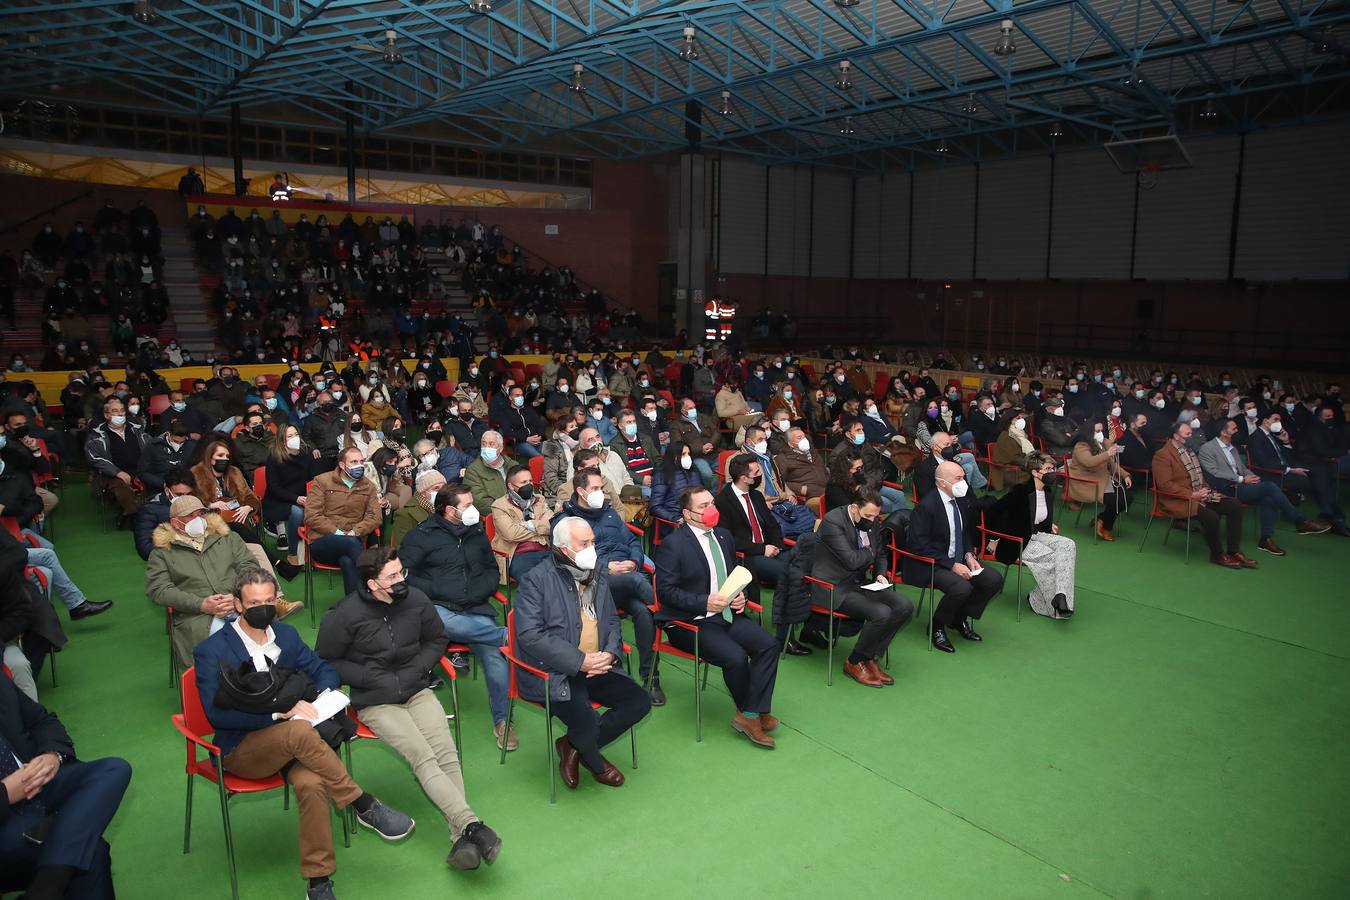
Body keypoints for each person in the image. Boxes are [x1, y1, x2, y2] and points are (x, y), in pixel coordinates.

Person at [193, 568, 416, 900]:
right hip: (243, 748)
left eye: (270, 600)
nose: (263, 608)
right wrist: (276, 713)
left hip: (300, 745)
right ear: (238, 604)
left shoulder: (286, 637)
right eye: (255, 602)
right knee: (296, 729)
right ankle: (362, 803)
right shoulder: (213, 650)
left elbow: (324, 670)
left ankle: (318, 881)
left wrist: (322, 699)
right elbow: (216, 715)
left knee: (312, 783)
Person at [315, 548, 502, 871]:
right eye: (392, 576)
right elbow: (326, 661)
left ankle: (460, 836)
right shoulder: (344, 615)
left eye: (402, 572)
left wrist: (419, 667)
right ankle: (471, 824)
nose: (401, 580)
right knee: (422, 755)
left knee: (445, 752)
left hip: (416, 689)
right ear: (372, 584)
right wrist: (368, 676)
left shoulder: (415, 599)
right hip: (376, 700)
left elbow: (436, 638)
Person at [514, 517, 652, 788]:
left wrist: (610, 654)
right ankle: (590, 753)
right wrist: (580, 661)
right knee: (587, 721)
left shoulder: (596, 570)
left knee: (639, 702)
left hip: (599, 664)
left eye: (593, 542)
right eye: (585, 543)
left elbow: (611, 619)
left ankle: (572, 745)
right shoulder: (536, 580)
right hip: (558, 671)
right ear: (564, 549)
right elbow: (530, 635)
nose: (592, 548)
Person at [653, 486, 781, 747]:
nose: (711, 510)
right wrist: (704, 602)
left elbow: (732, 574)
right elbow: (666, 592)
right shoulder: (672, 545)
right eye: (703, 506)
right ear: (687, 514)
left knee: (768, 645)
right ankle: (751, 712)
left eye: (712, 503)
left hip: (726, 615)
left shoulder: (723, 536)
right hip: (690, 622)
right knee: (735, 657)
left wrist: (740, 596)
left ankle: (750, 711)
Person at [399, 486, 516, 752]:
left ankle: (504, 721)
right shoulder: (421, 536)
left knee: (495, 660)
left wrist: (482, 589)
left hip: (475, 606)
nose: (473, 509)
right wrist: (438, 591)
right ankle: (505, 635)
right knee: (447, 623)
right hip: (438, 606)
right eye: (467, 505)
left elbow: (490, 568)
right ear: (449, 510)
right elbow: (405, 575)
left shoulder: (475, 533)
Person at [0, 673, 132, 899]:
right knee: (91, 852)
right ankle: (49, 886)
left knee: (115, 769)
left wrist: (52, 755)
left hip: (37, 785)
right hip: (7, 816)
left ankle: (45, 888)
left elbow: (42, 720)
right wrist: (7, 793)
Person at [147, 495, 302, 671]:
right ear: (176, 523)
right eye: (190, 516)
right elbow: (158, 589)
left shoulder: (227, 537)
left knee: (270, 640)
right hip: (197, 616)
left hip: (238, 603)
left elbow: (249, 566)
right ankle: (249, 681)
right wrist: (201, 604)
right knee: (229, 646)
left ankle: (270, 677)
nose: (198, 519)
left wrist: (237, 597)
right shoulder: (162, 552)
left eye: (201, 513)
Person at [551, 468, 661, 704]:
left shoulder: (609, 513)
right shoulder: (566, 521)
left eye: (601, 487)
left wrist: (633, 561)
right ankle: (668, 614)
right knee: (637, 583)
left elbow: (632, 540)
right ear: (580, 491)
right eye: (595, 489)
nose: (601, 492)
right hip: (590, 583)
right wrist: (607, 568)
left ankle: (650, 677)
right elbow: (569, 559)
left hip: (623, 579)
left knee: (643, 612)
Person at [811, 490, 911, 686]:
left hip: (859, 582)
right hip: (833, 586)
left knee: (904, 606)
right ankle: (855, 661)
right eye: (868, 516)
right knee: (881, 612)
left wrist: (880, 573)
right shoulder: (833, 521)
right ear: (854, 508)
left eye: (876, 516)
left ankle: (869, 657)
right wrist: (870, 551)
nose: (873, 521)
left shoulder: (870, 520)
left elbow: (881, 553)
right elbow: (851, 560)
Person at [904, 461, 1005, 653]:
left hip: (958, 557)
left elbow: (965, 533)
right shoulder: (926, 506)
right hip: (930, 563)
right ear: (942, 483)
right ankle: (937, 627)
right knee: (961, 587)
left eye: (963, 477)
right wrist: (951, 565)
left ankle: (958, 619)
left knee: (993, 579)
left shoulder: (960, 500)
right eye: (958, 479)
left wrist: (969, 554)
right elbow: (918, 545)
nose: (964, 483)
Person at [1198, 418, 1329, 555]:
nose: (1237, 431)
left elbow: (1241, 467)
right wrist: (1242, 479)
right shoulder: (1207, 448)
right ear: (1223, 432)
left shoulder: (1232, 448)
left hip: (1240, 486)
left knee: (1269, 500)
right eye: (1234, 429)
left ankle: (1266, 539)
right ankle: (1300, 521)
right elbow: (1214, 472)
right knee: (1270, 487)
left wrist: (1252, 476)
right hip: (1225, 488)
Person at [1151, 420, 1255, 570]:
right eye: (1187, 434)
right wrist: (1193, 494)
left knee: (1235, 506)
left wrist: (1205, 490)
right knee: (1211, 516)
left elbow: (1200, 478)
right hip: (1178, 499)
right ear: (1176, 436)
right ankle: (1217, 555)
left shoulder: (1190, 451)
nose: (1191, 436)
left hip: (1199, 494)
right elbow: (1165, 485)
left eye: (1191, 433)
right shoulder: (1162, 455)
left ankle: (1234, 551)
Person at [985, 452, 1077, 618]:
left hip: (1038, 535)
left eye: (1053, 468)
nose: (1052, 472)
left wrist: (1048, 523)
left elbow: (1037, 516)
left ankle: (1061, 595)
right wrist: (994, 539)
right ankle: (1037, 600)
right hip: (1019, 541)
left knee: (1068, 545)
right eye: (1047, 469)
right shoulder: (1021, 491)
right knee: (1055, 559)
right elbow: (994, 511)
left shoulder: (1047, 491)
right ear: (1035, 472)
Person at [1248, 411, 1347, 536]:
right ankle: (1335, 519)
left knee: (1322, 474)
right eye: (1275, 419)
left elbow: (1289, 459)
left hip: (1286, 468)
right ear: (1265, 421)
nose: (1279, 423)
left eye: (1279, 420)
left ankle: (1331, 515)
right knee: (1317, 484)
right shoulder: (1256, 437)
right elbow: (1264, 463)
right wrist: (1291, 470)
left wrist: (1286, 442)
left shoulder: (1274, 436)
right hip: (1272, 474)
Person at [304, 447, 382, 594]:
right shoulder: (322, 481)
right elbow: (312, 515)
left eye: (361, 461)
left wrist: (355, 531)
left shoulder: (368, 486)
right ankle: (377, 582)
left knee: (347, 561)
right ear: (342, 465)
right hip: (323, 541)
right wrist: (337, 532)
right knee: (350, 543)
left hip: (352, 544)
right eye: (354, 462)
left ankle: (354, 604)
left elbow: (375, 517)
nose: (359, 465)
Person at [714, 454, 788, 604]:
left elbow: (772, 525)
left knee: (802, 566)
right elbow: (729, 539)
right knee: (788, 573)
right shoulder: (723, 501)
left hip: (771, 549)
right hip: (748, 555)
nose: (760, 475)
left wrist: (776, 546)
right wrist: (762, 549)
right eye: (756, 473)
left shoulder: (756, 496)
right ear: (744, 478)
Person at [84, 396, 148, 524]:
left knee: (157, 480)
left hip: (140, 469)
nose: (120, 414)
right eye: (115, 411)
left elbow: (151, 447)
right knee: (121, 487)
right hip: (113, 474)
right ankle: (135, 515)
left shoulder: (137, 429)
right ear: (107, 415)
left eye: (122, 411)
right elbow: (95, 458)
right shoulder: (97, 435)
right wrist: (117, 472)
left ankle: (132, 513)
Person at [263, 424, 322, 558]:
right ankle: (294, 554)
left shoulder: (306, 454)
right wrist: (296, 498)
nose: (295, 438)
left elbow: (314, 479)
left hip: (303, 497)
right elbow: (273, 487)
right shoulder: (274, 458)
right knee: (297, 512)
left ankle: (312, 551)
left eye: (296, 434)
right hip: (278, 500)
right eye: (290, 436)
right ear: (282, 440)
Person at [191, 436, 262, 544]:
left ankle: (269, 560)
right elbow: (190, 501)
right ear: (210, 458)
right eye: (220, 455)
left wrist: (248, 507)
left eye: (227, 456)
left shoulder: (234, 472)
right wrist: (210, 505)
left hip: (236, 517)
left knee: (241, 530)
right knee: (240, 530)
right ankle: (275, 561)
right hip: (211, 521)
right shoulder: (197, 473)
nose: (225, 459)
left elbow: (250, 496)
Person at [1068, 420, 1130, 542]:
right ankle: (1107, 527)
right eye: (1097, 431)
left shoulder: (1099, 443)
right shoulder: (1081, 446)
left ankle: (1101, 519)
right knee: (1117, 500)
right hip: (1087, 483)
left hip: (1102, 479)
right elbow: (1089, 462)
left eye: (1102, 431)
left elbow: (1111, 463)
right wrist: (1107, 453)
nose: (1100, 433)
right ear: (1089, 432)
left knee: (1128, 498)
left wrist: (1125, 475)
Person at [490, 465, 551, 583]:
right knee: (537, 582)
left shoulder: (539, 499)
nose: (529, 485)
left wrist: (530, 525)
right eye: (523, 482)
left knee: (562, 576)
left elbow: (551, 525)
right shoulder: (499, 505)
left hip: (544, 549)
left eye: (530, 481)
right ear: (511, 486)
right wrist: (541, 526)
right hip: (518, 554)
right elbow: (511, 534)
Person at [134, 466, 196, 560]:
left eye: (188, 494)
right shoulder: (149, 510)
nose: (184, 499)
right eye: (179, 494)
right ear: (167, 491)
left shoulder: (197, 505)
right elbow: (145, 550)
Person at [669, 398, 719, 486]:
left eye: (694, 407)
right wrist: (700, 449)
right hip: (695, 456)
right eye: (690, 408)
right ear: (683, 411)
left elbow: (716, 432)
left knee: (724, 472)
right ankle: (708, 493)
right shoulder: (676, 425)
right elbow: (678, 445)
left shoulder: (703, 417)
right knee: (707, 475)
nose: (694, 410)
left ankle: (714, 495)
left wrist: (711, 443)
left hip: (713, 453)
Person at [609, 409, 659, 498]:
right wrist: (641, 479)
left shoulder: (646, 438)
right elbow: (619, 470)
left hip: (655, 478)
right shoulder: (614, 445)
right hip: (636, 484)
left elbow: (658, 459)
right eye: (628, 422)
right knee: (654, 495)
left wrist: (657, 476)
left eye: (634, 421)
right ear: (620, 426)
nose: (633, 424)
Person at [390, 470, 445, 548]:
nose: (442, 491)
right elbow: (401, 548)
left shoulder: (444, 508)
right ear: (423, 492)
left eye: (444, 487)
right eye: (436, 488)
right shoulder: (405, 515)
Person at [139, 419, 196, 493]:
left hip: (185, 490)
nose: (178, 445)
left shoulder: (191, 447)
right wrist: (162, 484)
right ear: (168, 434)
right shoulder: (153, 446)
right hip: (158, 489)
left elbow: (196, 468)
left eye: (182, 442)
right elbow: (142, 473)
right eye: (175, 441)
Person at [773, 427, 828, 502]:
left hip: (827, 489)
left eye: (804, 437)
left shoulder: (814, 452)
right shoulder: (783, 459)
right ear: (790, 444)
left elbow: (824, 471)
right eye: (799, 438)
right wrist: (801, 489)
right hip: (810, 496)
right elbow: (780, 482)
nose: (804, 440)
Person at [462, 430, 509, 518]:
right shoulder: (473, 471)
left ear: (500, 448)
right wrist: (507, 510)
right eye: (483, 444)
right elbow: (480, 502)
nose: (486, 447)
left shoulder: (511, 464)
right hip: (498, 516)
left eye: (491, 444)